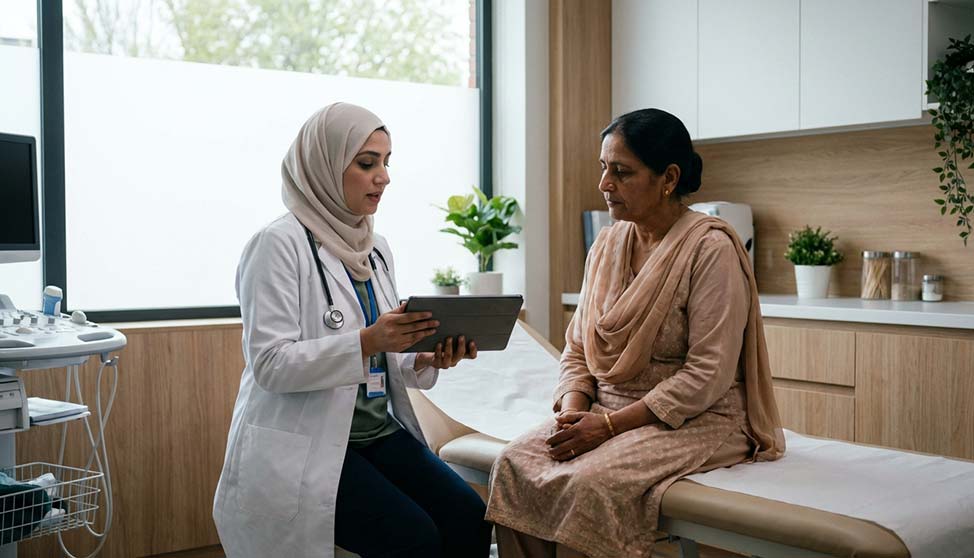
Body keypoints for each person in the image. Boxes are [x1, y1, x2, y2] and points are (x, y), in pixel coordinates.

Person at [485, 108, 785, 558]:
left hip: (696, 419)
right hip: (603, 412)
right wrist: (573, 414)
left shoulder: (710, 249)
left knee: (588, 485)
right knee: (513, 464)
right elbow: (578, 348)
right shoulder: (607, 244)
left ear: (668, 178)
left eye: (621, 172)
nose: (605, 183)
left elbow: (708, 374)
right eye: (603, 168)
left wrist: (606, 427)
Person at [213, 103, 492, 558]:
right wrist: (367, 341)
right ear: (324, 166)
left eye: (386, 163)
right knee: (413, 537)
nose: (383, 176)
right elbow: (269, 364)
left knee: (467, 516)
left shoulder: (374, 248)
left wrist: (423, 356)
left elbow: (389, 356)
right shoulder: (278, 245)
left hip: (377, 433)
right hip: (311, 443)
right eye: (367, 163)